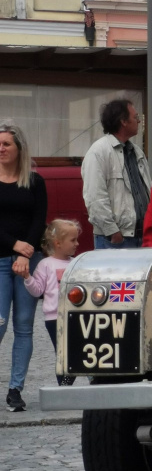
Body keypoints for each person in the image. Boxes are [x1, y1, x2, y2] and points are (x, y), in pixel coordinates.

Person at [0, 123, 47, 411]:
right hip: (1, 261)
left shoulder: (34, 180)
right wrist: (15, 245)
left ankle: (15, 390)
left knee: (25, 327)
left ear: (19, 149)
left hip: (28, 263)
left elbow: (39, 219)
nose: (1, 148)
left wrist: (26, 253)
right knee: (0, 325)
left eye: (6, 144)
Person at [82, 99, 152, 249]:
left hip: (142, 236)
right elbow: (95, 197)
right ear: (123, 121)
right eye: (136, 117)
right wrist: (112, 232)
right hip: (115, 240)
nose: (139, 122)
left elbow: (148, 190)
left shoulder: (136, 151)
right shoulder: (99, 151)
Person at [19, 219, 79, 386]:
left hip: (74, 315)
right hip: (54, 317)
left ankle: (86, 378)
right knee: (62, 352)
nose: (77, 243)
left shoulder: (76, 263)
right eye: (72, 240)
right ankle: (64, 383)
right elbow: (37, 290)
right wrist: (28, 278)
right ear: (58, 243)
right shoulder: (45, 264)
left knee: (80, 348)